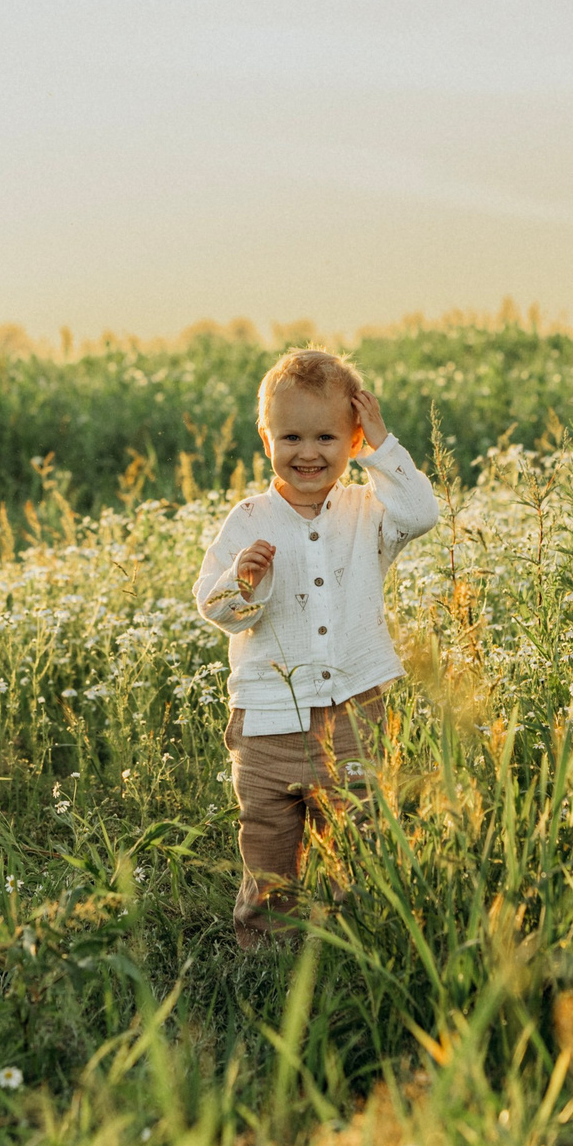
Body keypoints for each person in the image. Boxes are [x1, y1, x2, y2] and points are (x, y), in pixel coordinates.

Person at [193, 350, 439, 945]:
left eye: (327, 435)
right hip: (269, 724)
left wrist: (384, 448)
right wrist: (240, 584)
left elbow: (422, 512)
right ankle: (262, 949)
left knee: (359, 837)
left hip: (358, 710)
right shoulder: (248, 518)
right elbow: (216, 609)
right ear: (266, 438)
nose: (308, 452)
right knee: (268, 841)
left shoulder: (367, 512)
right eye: (291, 436)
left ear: (354, 439)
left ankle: (351, 940)